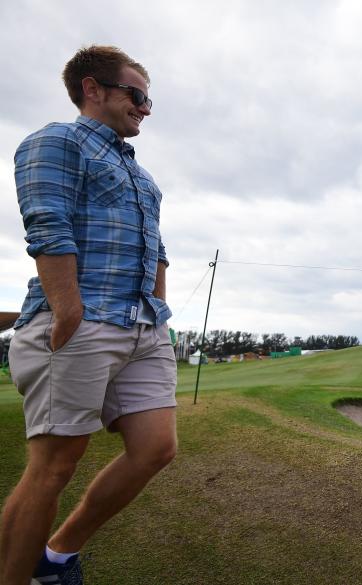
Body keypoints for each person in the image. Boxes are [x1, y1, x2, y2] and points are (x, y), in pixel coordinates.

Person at [0, 45, 177, 585]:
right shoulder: (55, 140)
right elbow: (47, 226)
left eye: (149, 99)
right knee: (54, 466)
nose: (146, 108)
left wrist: (160, 315)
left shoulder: (141, 175)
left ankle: (54, 557)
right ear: (93, 89)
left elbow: (158, 249)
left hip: (143, 326)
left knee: (155, 448)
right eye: (138, 94)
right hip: (82, 322)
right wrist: (68, 312)